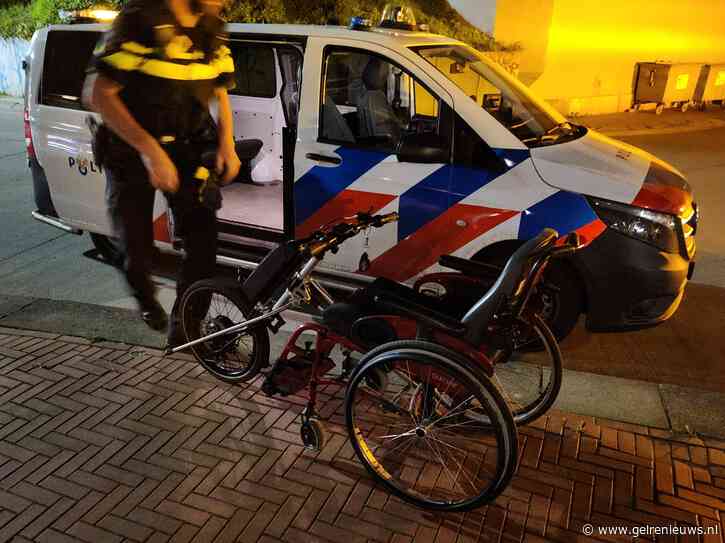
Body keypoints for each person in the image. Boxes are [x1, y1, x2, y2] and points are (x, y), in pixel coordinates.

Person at [84, 0, 240, 347]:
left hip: (186, 147)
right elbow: (99, 95)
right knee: (137, 252)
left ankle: (186, 325)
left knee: (203, 242)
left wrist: (227, 144)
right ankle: (144, 297)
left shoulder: (213, 25)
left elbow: (220, 91)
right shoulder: (139, 19)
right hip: (129, 147)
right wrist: (151, 152)